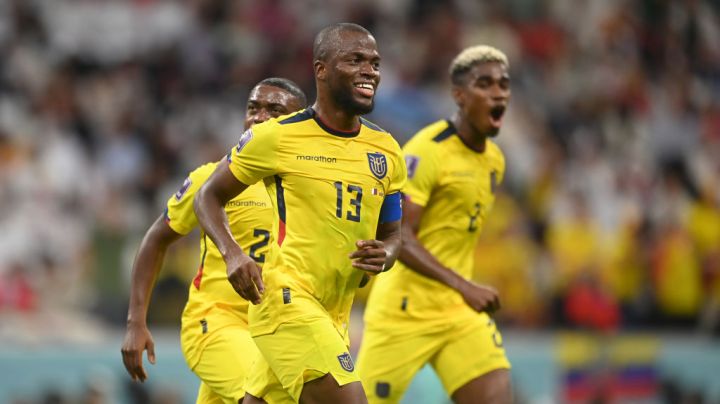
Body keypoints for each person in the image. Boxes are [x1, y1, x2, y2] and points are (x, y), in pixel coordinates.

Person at [194, 23, 407, 404]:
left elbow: (394, 233)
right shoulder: (277, 136)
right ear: (321, 69)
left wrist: (387, 253)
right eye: (355, 60)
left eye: (374, 63)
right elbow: (207, 196)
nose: (369, 71)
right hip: (286, 300)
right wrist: (233, 253)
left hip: (335, 313)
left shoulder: (386, 150)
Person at [121, 77, 307, 404]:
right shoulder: (212, 180)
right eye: (253, 108)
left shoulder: (310, 189)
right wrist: (136, 322)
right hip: (216, 322)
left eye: (274, 110)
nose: (259, 117)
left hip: (272, 332)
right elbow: (155, 240)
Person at [357, 45, 514, 404]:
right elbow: (399, 235)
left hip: (458, 313)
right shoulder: (427, 151)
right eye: (485, 84)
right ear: (459, 95)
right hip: (404, 310)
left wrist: (461, 292)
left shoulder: (495, 161)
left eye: (503, 84)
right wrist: (464, 286)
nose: (498, 92)